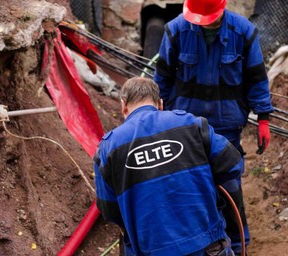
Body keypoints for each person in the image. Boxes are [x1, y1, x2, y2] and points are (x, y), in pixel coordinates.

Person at [153, 0, 274, 254]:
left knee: (228, 184)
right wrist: (157, 115)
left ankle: (239, 244)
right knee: (187, 183)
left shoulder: (243, 31)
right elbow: (162, 78)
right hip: (184, 124)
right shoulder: (176, 30)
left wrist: (263, 118)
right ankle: (196, 242)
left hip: (226, 124)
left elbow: (256, 77)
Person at [94, 77, 244, 256]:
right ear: (160, 104)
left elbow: (109, 210)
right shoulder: (191, 124)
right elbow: (233, 165)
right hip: (206, 246)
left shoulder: (108, 148)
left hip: (150, 249)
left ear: (123, 105)